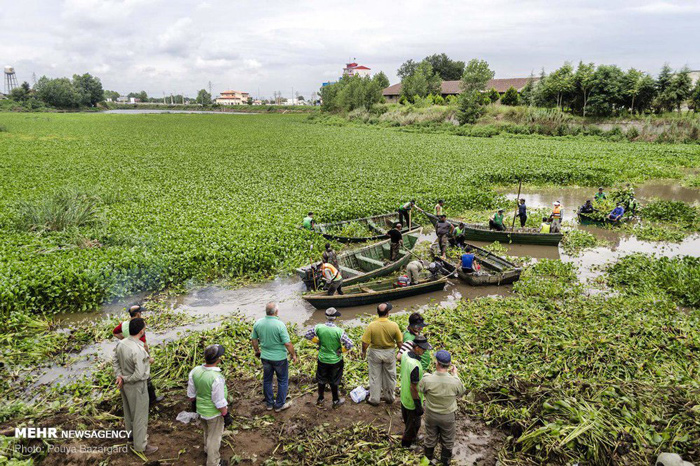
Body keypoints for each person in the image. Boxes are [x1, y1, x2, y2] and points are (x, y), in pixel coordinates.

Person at [112, 318, 158, 454]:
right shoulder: (138, 350)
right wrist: (127, 378)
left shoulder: (121, 344)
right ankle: (140, 446)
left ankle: (131, 437)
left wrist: (119, 376)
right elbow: (139, 374)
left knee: (129, 412)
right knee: (140, 415)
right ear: (141, 331)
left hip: (125, 386)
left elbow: (115, 360)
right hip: (137, 386)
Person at [419, 350, 466, 466]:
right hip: (448, 415)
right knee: (448, 440)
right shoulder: (455, 382)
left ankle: (427, 461)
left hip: (431, 414)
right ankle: (445, 462)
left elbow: (421, 390)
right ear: (450, 365)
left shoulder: (427, 379)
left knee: (430, 437)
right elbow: (461, 392)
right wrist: (455, 375)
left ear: (436, 363)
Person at [187, 344, 232, 466]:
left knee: (207, 431)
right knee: (215, 437)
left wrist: (194, 406)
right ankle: (213, 462)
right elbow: (219, 401)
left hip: (201, 409)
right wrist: (225, 414)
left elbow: (191, 394)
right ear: (218, 359)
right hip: (213, 413)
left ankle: (207, 450)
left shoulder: (195, 371)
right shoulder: (216, 378)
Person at [250, 302, 298, 412]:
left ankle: (269, 404)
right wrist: (293, 355)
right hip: (279, 358)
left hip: (265, 357)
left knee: (267, 380)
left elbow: (254, 339)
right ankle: (279, 405)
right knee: (282, 381)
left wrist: (257, 351)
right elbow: (287, 343)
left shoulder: (258, 323)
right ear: (276, 312)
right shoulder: (279, 325)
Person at [113, 305, 164, 406]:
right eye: (141, 313)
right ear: (138, 314)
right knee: (145, 376)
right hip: (138, 353)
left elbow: (115, 333)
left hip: (127, 352)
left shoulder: (124, 324)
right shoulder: (139, 325)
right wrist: (148, 357)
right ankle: (151, 400)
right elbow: (144, 345)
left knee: (130, 370)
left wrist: (123, 339)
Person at [304, 307, 354, 408]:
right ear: (335, 318)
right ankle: (335, 401)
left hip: (322, 359)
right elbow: (350, 344)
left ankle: (320, 399)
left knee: (321, 379)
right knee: (334, 380)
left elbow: (307, 335)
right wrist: (341, 351)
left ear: (326, 317)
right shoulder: (339, 331)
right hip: (335, 360)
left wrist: (318, 341)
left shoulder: (318, 327)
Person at [361, 303, 403, 406]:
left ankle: (374, 399)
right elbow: (399, 342)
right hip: (389, 353)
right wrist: (401, 352)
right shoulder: (394, 325)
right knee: (390, 375)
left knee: (375, 376)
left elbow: (365, 342)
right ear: (388, 313)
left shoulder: (372, 325)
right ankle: (389, 397)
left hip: (375, 353)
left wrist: (363, 351)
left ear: (377, 313)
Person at [399, 335, 432, 449]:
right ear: (416, 347)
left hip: (403, 396)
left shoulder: (404, 355)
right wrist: (418, 404)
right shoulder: (415, 365)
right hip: (411, 400)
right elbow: (413, 387)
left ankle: (411, 437)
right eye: (423, 348)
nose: (424, 351)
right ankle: (406, 444)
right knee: (414, 424)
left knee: (408, 420)